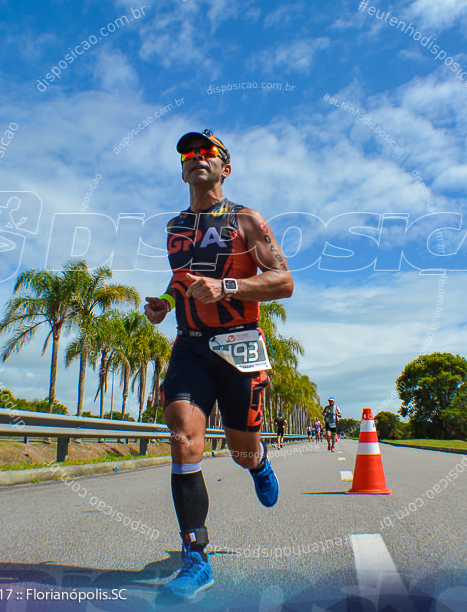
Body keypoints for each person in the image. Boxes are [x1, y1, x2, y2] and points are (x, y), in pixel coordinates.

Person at [144, 129, 294, 599]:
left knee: (240, 450)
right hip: (190, 345)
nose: (195, 158)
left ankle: (259, 462)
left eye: (207, 152)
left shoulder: (246, 220)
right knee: (183, 436)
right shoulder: (174, 226)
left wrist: (227, 289)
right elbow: (181, 277)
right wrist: (167, 302)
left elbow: (284, 281)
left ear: (224, 168)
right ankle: (196, 556)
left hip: (239, 343)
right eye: (188, 154)